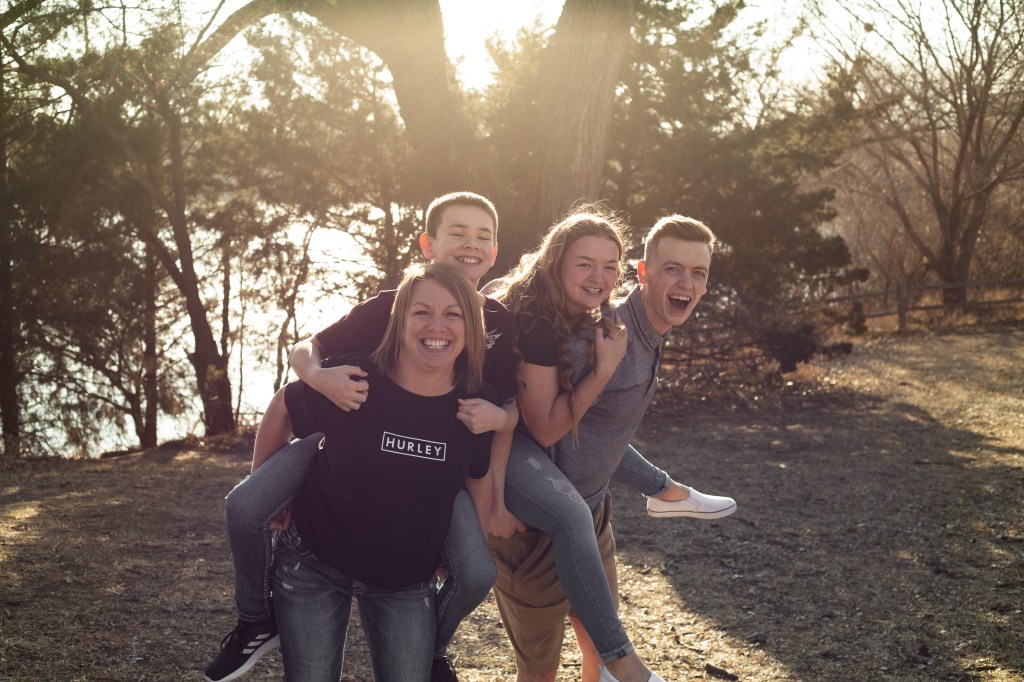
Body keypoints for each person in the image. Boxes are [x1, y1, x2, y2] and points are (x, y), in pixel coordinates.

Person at [489, 210, 729, 682]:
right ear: (644, 273)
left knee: (597, 663)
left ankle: (666, 493)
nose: (686, 282)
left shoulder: (644, 334)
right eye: (673, 269)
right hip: (536, 527)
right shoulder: (596, 338)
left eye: (698, 273)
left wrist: (657, 485)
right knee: (538, 670)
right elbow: (542, 429)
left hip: (591, 510)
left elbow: (603, 432)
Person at [256, 262, 493, 681]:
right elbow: (284, 406)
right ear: (399, 320)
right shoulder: (355, 378)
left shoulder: (474, 408)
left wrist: (457, 550)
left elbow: (477, 479)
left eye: (453, 313)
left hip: (405, 581)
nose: (436, 325)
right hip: (313, 563)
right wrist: (268, 491)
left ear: (471, 327)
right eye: (421, 312)